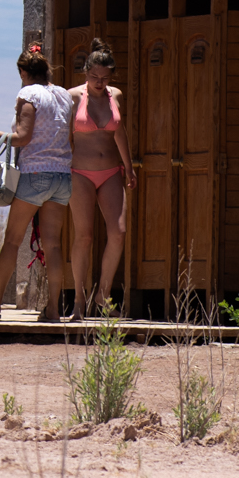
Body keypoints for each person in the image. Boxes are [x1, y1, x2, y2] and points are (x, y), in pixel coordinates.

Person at [0, 46, 76, 321]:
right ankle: (53, 309)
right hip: (62, 177)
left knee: (12, 241)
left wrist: (0, 136)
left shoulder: (28, 95)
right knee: (52, 245)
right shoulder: (64, 95)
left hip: (35, 175)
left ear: (23, 73)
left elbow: (23, 137)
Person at [62, 44, 133, 319]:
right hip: (79, 171)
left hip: (110, 170)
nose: (100, 83)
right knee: (85, 235)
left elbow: (120, 132)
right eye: (94, 77)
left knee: (118, 232)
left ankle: (103, 296)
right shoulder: (72, 97)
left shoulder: (115, 96)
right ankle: (79, 301)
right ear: (86, 73)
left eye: (105, 78)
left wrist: (129, 167)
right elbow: (64, 135)